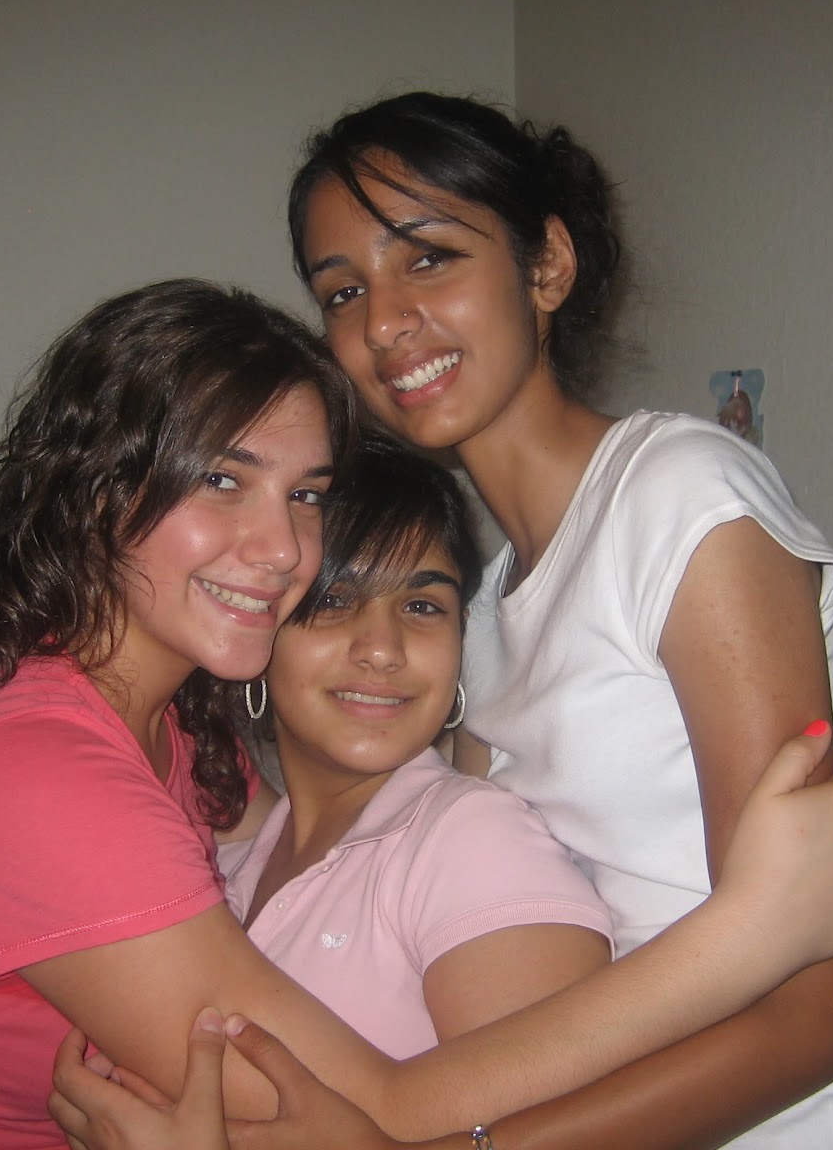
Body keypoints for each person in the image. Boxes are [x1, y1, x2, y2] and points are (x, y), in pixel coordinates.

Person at [0, 278, 833, 1150]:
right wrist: (753, 930)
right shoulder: (34, 774)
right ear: (95, 487)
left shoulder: (142, 720)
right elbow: (371, 1108)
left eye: (306, 495)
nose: (281, 550)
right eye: (221, 480)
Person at [49, 93, 833, 1149]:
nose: (381, 324)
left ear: (546, 266)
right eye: (342, 291)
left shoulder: (683, 501)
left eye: (426, 258)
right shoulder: (485, 615)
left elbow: (818, 1016)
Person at [222, 433, 613, 1058]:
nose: (382, 648)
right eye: (334, 601)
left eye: (423, 605)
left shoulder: (465, 838)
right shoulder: (232, 873)